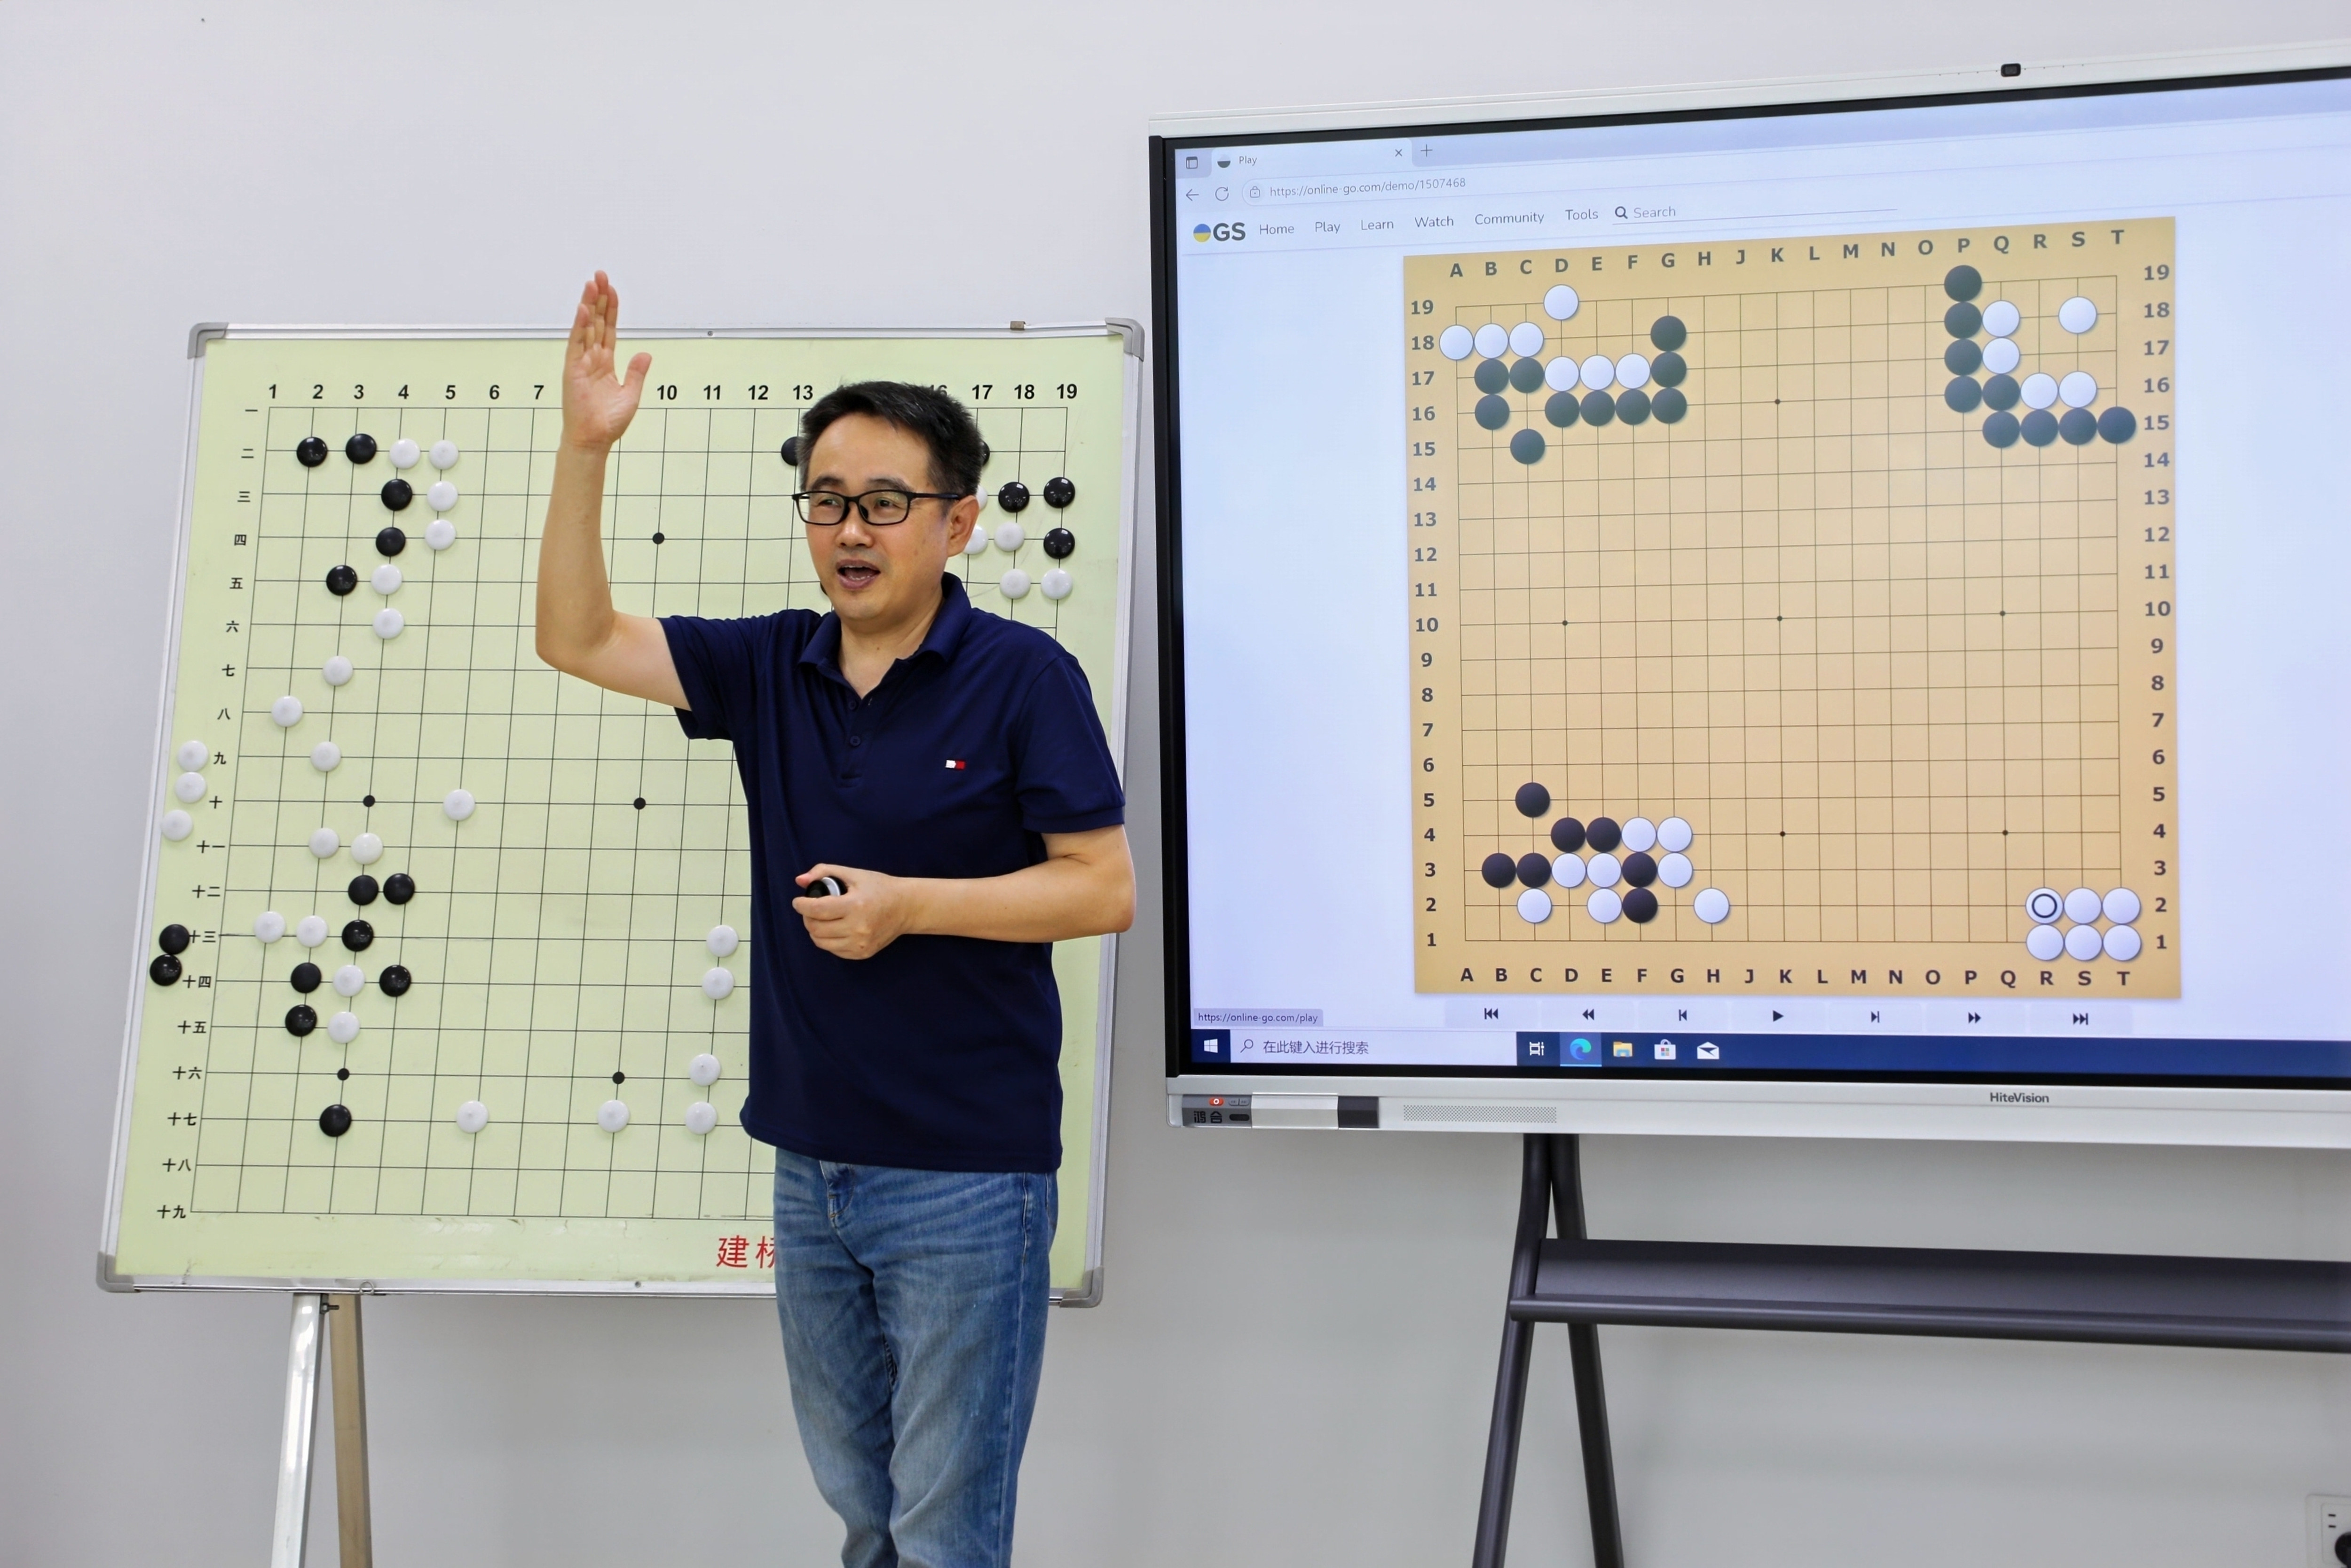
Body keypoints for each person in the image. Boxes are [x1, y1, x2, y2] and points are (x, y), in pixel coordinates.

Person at [535, 273, 1134, 1568]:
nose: (850, 530)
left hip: (968, 1179)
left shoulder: (1024, 678)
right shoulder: (771, 664)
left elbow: (1102, 886)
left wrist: (911, 907)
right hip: (813, 1170)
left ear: (957, 522)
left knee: (944, 1535)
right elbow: (576, 638)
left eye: (884, 504)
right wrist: (585, 450)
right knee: (866, 1519)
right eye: (826, 499)